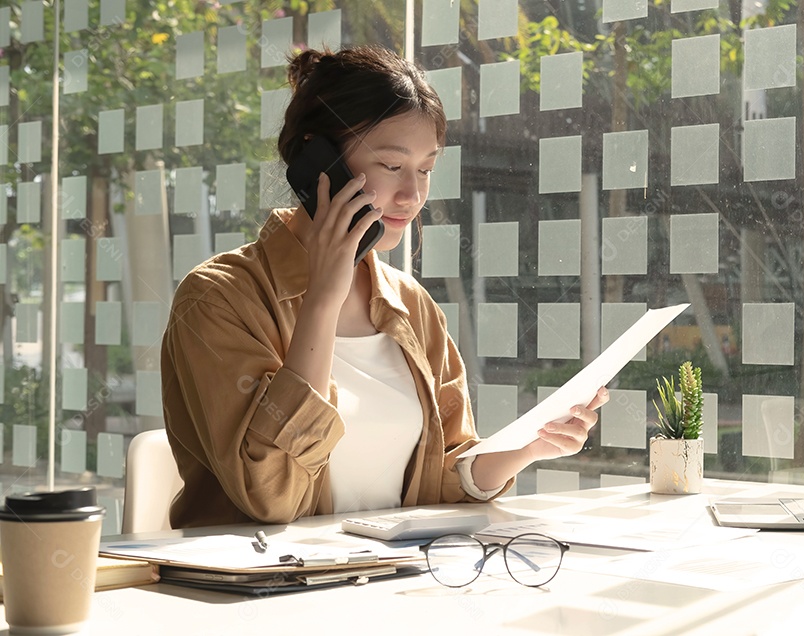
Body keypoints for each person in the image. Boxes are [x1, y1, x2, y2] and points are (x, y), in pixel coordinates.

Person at [161, 45, 607, 529]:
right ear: (319, 161)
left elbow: (438, 478)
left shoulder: (409, 305)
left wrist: (528, 447)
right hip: (258, 592)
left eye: (426, 169)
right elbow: (271, 495)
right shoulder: (218, 297)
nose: (412, 195)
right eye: (392, 167)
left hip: (385, 583)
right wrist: (323, 299)